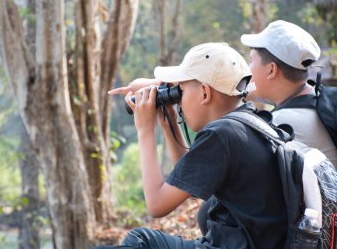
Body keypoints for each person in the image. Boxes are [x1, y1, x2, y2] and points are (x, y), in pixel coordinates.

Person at [94, 43, 287, 249]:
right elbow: (190, 181)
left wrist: (145, 130)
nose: (180, 100)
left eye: (181, 91)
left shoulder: (222, 134)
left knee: (142, 240)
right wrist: (169, 125)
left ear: (204, 93)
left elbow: (156, 205)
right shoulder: (248, 124)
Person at [240, 20, 337, 166]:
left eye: (251, 61)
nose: (248, 69)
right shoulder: (319, 98)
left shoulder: (280, 124)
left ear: (271, 69)